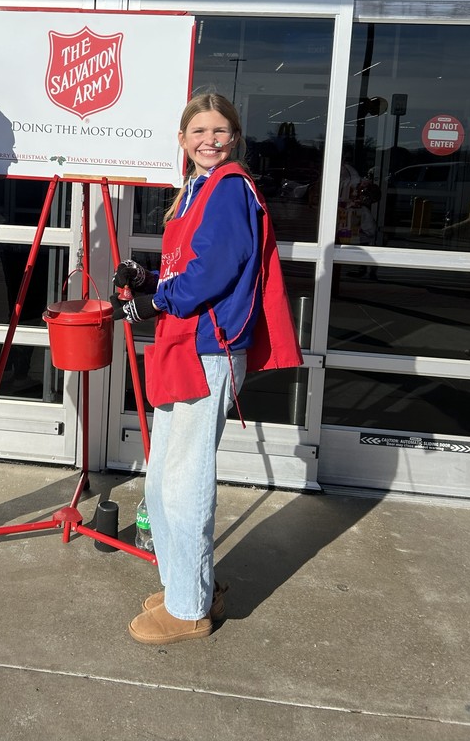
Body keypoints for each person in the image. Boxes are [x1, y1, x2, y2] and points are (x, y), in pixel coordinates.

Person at [111, 92, 302, 645]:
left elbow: (215, 271)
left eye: (220, 130)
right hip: (186, 345)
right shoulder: (196, 190)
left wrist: (153, 302)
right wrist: (148, 279)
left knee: (182, 481)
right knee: (164, 477)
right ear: (182, 138)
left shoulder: (228, 189)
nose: (209, 140)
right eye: (199, 130)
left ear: (235, 137)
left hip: (208, 350)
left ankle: (190, 608)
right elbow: (190, 266)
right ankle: (184, 586)